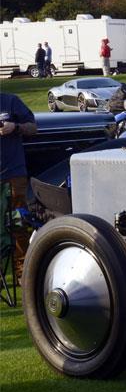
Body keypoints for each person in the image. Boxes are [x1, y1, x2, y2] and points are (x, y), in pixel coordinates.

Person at [0, 92, 38, 284]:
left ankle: (22, 273)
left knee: (17, 223)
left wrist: (14, 127)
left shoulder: (11, 101)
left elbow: (33, 128)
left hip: (13, 173)